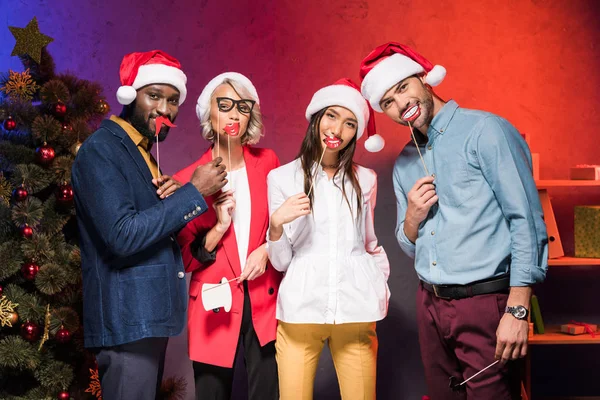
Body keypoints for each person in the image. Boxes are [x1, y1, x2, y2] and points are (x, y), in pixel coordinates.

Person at [359, 42, 548, 399]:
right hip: (430, 304)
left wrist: (518, 309)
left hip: (485, 302)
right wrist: (413, 216)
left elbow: (526, 219)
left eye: (403, 88)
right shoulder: (404, 162)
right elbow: (407, 241)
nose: (401, 104)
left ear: (423, 80)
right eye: (388, 102)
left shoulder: (486, 131)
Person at [72, 50, 227, 400]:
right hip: (128, 319)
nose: (164, 110)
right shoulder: (103, 149)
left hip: (147, 318)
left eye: (173, 101)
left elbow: (151, 231)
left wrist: (181, 206)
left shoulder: (141, 151)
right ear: (130, 95)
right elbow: (122, 236)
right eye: (153, 96)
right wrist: (193, 193)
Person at [267, 78, 389, 400]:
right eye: (331, 116)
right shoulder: (281, 178)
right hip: (300, 312)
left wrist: (379, 285)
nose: (337, 129)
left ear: (356, 132)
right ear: (316, 118)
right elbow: (281, 262)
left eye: (349, 123)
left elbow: (369, 243)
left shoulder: (365, 179)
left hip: (355, 310)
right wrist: (276, 224)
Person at [174, 72, 280, 399]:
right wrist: (219, 227)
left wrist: (266, 248)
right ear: (210, 113)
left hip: (265, 298)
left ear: (251, 116)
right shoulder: (186, 179)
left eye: (243, 107)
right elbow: (187, 258)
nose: (234, 113)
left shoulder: (269, 163)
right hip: (213, 304)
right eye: (225, 104)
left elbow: (286, 226)